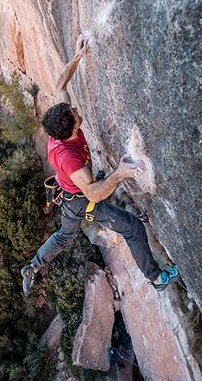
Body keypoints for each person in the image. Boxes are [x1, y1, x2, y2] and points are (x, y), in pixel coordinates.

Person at [21, 34, 179, 295]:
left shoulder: (58, 125)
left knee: (64, 236)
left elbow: (61, 82)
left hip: (69, 196)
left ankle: (33, 267)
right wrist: (119, 174)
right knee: (132, 227)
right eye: (74, 115)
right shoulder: (69, 158)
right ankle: (157, 278)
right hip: (82, 200)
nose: (76, 111)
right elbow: (92, 192)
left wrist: (77, 56)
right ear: (70, 131)